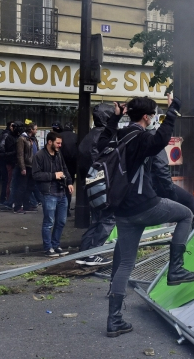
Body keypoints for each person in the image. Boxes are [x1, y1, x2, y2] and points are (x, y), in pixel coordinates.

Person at [97, 94, 194, 338]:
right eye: (153, 115)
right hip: (144, 205)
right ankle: (176, 269)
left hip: (122, 210)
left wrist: (114, 119)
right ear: (146, 117)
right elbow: (161, 139)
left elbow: (100, 145)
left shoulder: (122, 135)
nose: (154, 119)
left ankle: (114, 321)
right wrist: (173, 107)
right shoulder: (142, 137)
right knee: (185, 215)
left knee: (125, 264)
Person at [76, 103, 117, 266]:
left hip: (90, 185)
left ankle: (85, 252)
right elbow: (105, 164)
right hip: (102, 185)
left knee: (97, 220)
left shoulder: (88, 136)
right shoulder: (104, 137)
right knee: (108, 219)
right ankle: (94, 252)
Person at [147, 112, 194, 228]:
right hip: (156, 185)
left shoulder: (138, 136)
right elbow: (161, 168)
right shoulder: (154, 140)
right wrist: (170, 190)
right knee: (188, 200)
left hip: (144, 186)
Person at [32, 131, 73, 257]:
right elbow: (36, 175)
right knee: (49, 221)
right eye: (58, 143)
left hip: (61, 191)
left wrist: (69, 182)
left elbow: (64, 168)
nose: (60, 145)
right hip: (48, 192)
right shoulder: (39, 155)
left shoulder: (58, 154)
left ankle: (55, 245)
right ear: (50, 142)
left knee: (61, 221)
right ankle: (48, 247)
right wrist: (53, 175)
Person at [13, 122, 38, 214]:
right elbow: (20, 154)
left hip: (33, 166)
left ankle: (27, 205)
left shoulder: (33, 139)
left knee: (30, 187)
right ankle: (18, 206)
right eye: (35, 129)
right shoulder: (22, 139)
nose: (36, 131)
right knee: (22, 187)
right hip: (26, 166)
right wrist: (22, 167)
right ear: (31, 129)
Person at [0, 121, 23, 211]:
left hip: (17, 163)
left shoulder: (19, 137)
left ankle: (12, 201)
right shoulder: (9, 137)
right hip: (11, 163)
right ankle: (10, 201)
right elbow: (7, 151)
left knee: (16, 183)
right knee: (11, 183)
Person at [0, 121, 14, 204]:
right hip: (3, 159)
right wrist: (7, 154)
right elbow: (1, 147)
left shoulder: (2, 134)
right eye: (13, 126)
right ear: (9, 126)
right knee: (6, 180)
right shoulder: (7, 135)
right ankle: (2, 199)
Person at [59, 122, 77, 216]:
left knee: (59, 187)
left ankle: (59, 209)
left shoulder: (59, 136)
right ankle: (67, 209)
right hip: (72, 166)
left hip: (59, 165)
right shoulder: (76, 136)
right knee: (69, 188)